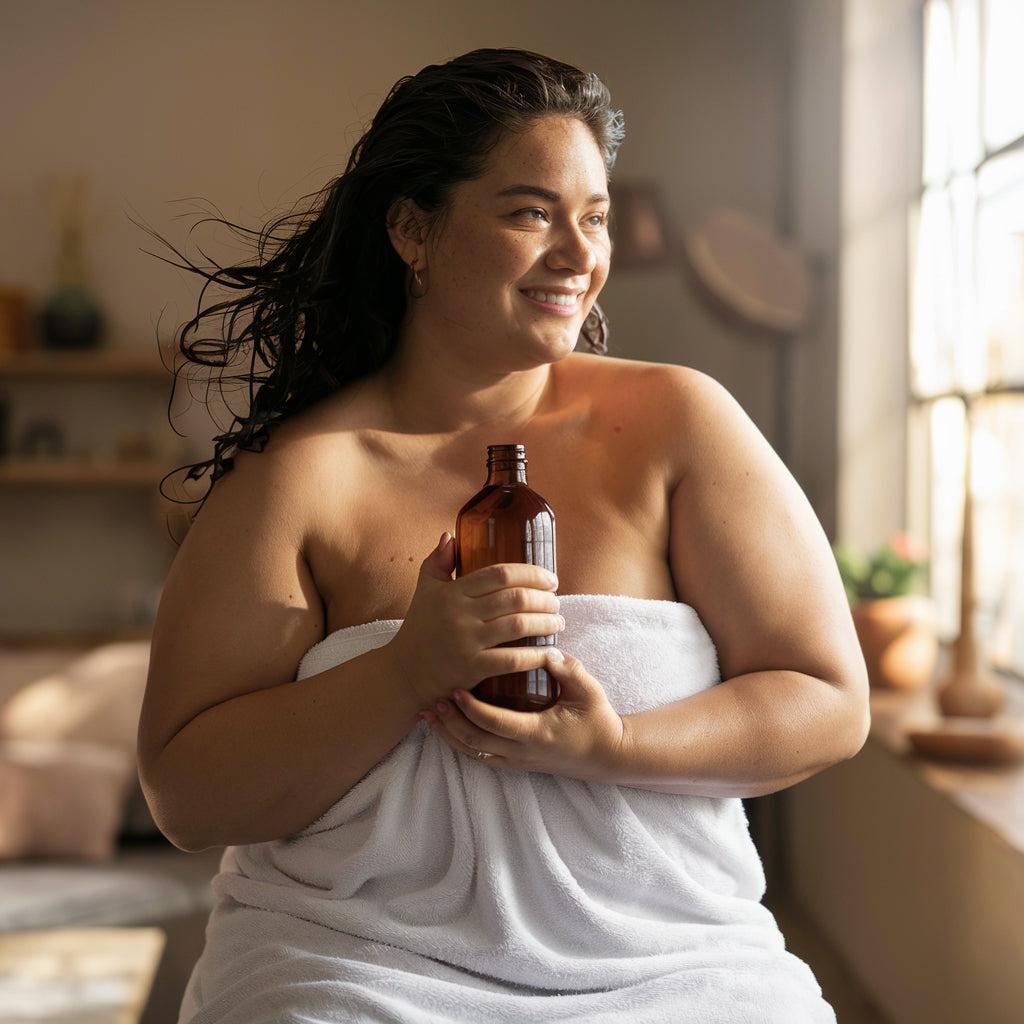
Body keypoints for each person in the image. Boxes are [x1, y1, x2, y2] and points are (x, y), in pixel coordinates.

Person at [137, 47, 867, 1023]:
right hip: (353, 970)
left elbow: (826, 699)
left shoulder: (678, 424)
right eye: (531, 212)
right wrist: (405, 671)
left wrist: (610, 747)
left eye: (594, 217)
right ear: (412, 229)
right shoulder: (298, 480)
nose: (579, 253)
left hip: (677, 972)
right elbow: (187, 796)